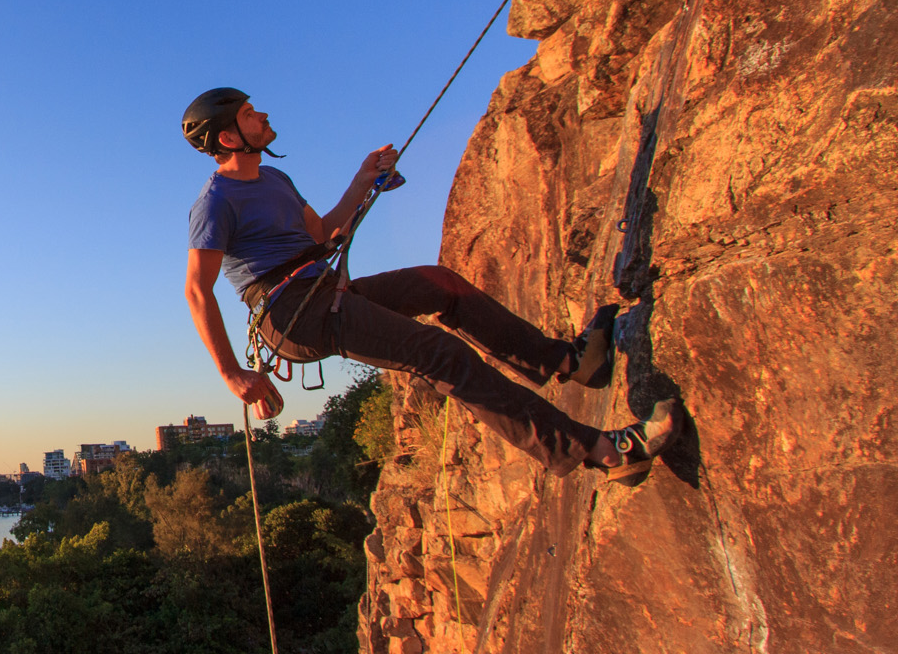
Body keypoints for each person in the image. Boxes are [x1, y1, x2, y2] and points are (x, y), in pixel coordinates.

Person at [181, 88, 684, 480]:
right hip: (291, 313)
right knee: (437, 353)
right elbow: (196, 291)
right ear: (229, 137)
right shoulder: (216, 200)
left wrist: (363, 179)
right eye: (249, 114)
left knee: (440, 284)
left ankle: (570, 361)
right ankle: (595, 451)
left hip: (323, 291)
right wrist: (233, 375)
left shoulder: (276, 181)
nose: (262, 116)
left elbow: (325, 232)